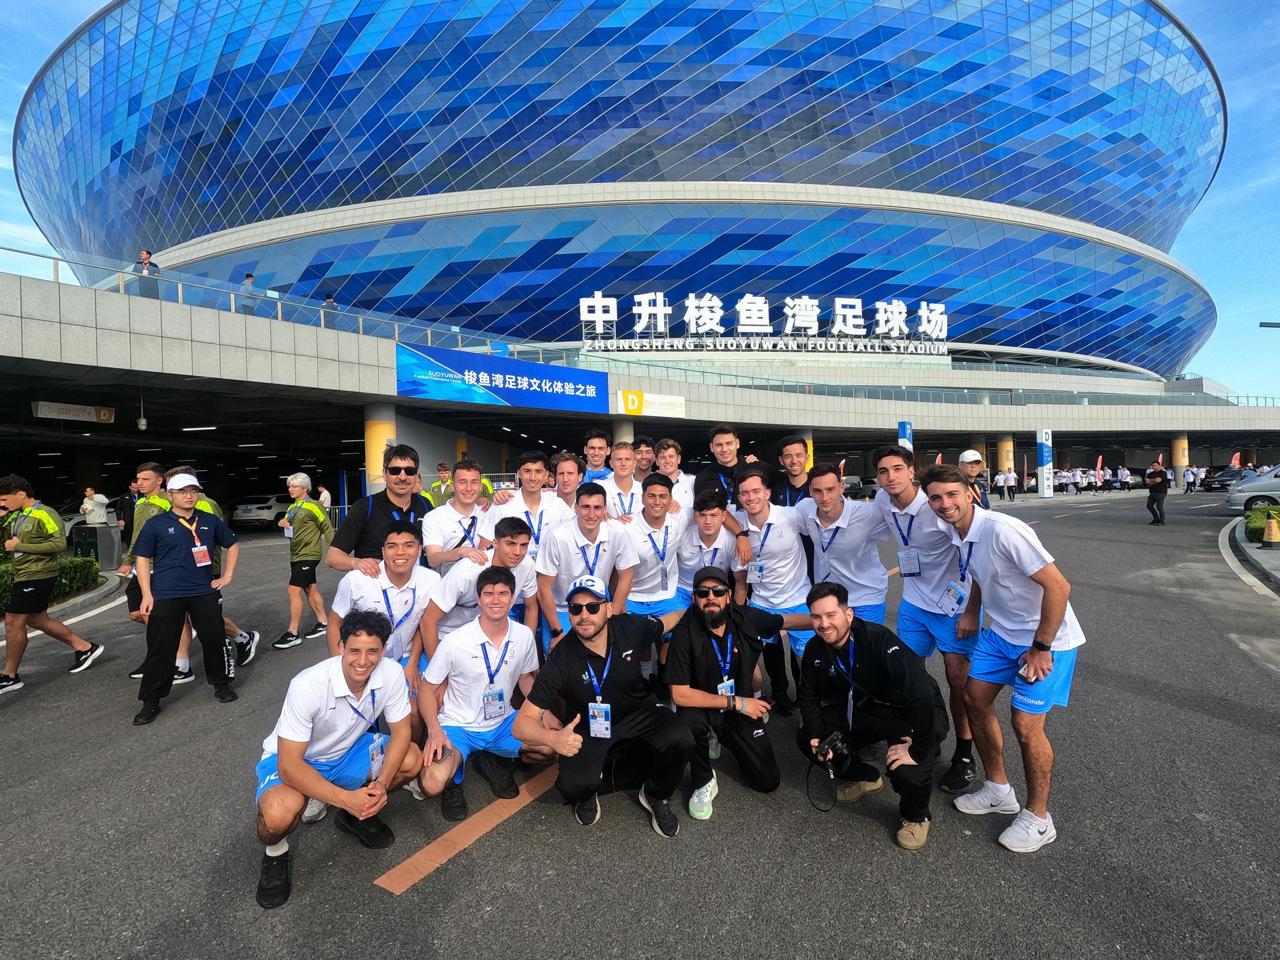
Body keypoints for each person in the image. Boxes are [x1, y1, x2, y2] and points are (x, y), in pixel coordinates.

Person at [922, 464, 1085, 853]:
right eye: (936, 497)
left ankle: (1039, 818)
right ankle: (998, 789)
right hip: (1001, 635)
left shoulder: (1003, 530)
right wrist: (973, 611)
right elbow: (978, 573)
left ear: (970, 493)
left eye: (951, 495)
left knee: (1026, 726)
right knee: (973, 699)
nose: (945, 504)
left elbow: (1059, 586)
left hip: (1046, 639)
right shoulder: (959, 532)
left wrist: (1042, 646)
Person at [253, 610, 421, 909]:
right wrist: (345, 797)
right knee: (279, 813)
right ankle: (276, 853)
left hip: (348, 753)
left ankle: (354, 816)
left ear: (384, 649)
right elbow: (289, 766)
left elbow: (401, 732)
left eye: (373, 651)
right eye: (354, 650)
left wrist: (381, 784)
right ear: (341, 647)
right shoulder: (308, 685)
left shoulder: (392, 673)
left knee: (411, 757)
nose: (363, 660)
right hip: (299, 760)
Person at [512, 576, 694, 836]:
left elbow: (667, 621)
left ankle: (656, 794)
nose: (584, 615)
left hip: (637, 712)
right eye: (575, 609)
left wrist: (689, 610)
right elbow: (521, 724)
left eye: (593, 607)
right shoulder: (561, 658)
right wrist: (551, 738)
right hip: (588, 724)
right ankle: (592, 789)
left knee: (682, 738)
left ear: (608, 609)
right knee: (573, 786)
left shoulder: (631, 627)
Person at [798, 582, 947, 850]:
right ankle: (866, 777)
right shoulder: (815, 649)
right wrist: (816, 734)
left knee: (907, 769)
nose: (823, 624)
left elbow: (922, 695)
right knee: (810, 737)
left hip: (911, 714)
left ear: (848, 614)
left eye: (831, 615)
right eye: (816, 617)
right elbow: (808, 697)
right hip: (868, 709)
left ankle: (916, 815)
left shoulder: (878, 640)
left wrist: (919, 749)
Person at [667, 567, 814, 818]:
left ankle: (724, 736)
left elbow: (787, 621)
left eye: (718, 591)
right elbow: (679, 694)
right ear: (694, 598)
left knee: (768, 781)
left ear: (729, 596)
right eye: (703, 593)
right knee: (687, 722)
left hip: (739, 706)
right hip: (707, 707)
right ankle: (703, 780)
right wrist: (737, 703)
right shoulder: (684, 632)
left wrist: (827, 623)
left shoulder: (745, 618)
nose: (710, 597)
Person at [871, 446, 975, 794]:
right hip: (914, 602)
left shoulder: (936, 506)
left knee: (957, 680)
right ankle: (919, 739)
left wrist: (972, 610)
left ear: (911, 471)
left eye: (897, 469)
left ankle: (964, 753)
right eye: (883, 471)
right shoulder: (882, 502)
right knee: (908, 675)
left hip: (952, 606)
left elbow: (975, 556)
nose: (891, 477)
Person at [418, 567, 555, 820]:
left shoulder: (524, 635)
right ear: (478, 599)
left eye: (503, 593)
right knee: (432, 782)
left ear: (513, 598)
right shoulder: (455, 641)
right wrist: (434, 730)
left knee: (550, 746)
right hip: (459, 725)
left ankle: (495, 758)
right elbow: (427, 689)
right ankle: (452, 785)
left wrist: (544, 712)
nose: (496, 600)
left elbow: (525, 678)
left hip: (503, 722)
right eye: (488, 593)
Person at [131, 473, 240, 724]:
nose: (189, 495)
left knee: (214, 639)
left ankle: (222, 684)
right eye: (182, 491)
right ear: (170, 495)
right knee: (161, 646)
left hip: (203, 590)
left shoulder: (210, 521)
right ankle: (151, 700)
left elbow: (232, 544)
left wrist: (227, 575)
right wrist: (147, 594)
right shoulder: (156, 524)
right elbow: (143, 559)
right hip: (167, 593)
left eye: (193, 490)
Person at [0, 475, 103, 694]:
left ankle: (9, 675)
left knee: (13, 621)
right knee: (38, 620)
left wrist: (23, 546)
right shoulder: (18, 514)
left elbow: (58, 543)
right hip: (24, 574)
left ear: (20, 494)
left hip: (39, 574)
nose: (2, 504)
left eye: (4, 499)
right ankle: (84, 647)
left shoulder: (44, 513)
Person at [731, 465, 815, 711]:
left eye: (756, 491)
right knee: (769, 653)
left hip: (798, 598)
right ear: (739, 498)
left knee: (807, 658)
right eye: (744, 493)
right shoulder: (737, 520)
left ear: (768, 493)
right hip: (762, 601)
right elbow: (715, 513)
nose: (751, 497)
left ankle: (809, 701)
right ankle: (778, 693)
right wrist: (741, 535)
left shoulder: (790, 515)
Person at [418, 517, 538, 668]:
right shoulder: (466, 571)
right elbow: (428, 619)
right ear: (495, 543)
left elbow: (531, 607)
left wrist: (527, 650)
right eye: (510, 544)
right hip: (449, 636)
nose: (517, 552)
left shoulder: (526, 564)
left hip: (489, 636)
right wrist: (438, 668)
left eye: (524, 546)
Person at [535, 482, 638, 649]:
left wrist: (614, 615)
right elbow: (543, 588)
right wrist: (556, 631)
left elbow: (627, 576)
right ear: (576, 507)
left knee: (601, 663)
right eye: (585, 507)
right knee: (562, 665)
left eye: (597, 508)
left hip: (599, 607)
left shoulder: (617, 531)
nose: (591, 514)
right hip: (563, 608)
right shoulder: (557, 536)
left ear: (605, 509)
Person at [794, 462, 889, 623]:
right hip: (828, 598)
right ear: (810, 491)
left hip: (866, 598)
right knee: (833, 647)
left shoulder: (868, 514)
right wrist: (742, 535)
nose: (824, 498)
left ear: (841, 487)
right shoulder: (804, 509)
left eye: (830, 490)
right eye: (817, 491)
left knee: (864, 647)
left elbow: (903, 517)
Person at [326, 445, 433, 574]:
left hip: (417, 588)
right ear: (384, 473)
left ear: (416, 475)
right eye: (395, 470)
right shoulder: (365, 507)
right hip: (376, 588)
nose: (402, 477)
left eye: (409, 471)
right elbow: (332, 557)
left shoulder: (425, 505)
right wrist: (356, 562)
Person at [118, 462, 172, 673]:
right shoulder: (141, 502)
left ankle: (159, 658)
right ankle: (170, 640)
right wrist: (129, 559)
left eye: (145, 479)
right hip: (141, 564)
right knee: (136, 613)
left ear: (160, 480)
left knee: (150, 612)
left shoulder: (166, 502)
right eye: (138, 479)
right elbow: (137, 535)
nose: (140, 483)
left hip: (159, 565)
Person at [275, 473, 333, 650]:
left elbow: (327, 528)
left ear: (304, 488)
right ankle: (323, 622)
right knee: (310, 588)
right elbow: (289, 526)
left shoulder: (314, 506)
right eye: (289, 486)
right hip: (296, 554)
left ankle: (293, 633)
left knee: (293, 590)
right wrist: (282, 522)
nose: (290, 489)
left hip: (309, 554)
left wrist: (337, 551)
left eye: (294, 486)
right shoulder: (292, 507)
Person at [488, 451, 572, 564]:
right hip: (513, 574)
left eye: (538, 471)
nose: (532, 477)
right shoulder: (503, 505)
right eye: (527, 471)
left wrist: (603, 512)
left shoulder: (558, 505)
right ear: (519, 473)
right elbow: (486, 544)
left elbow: (576, 530)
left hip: (550, 574)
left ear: (546, 475)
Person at [421, 459, 494, 574]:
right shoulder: (433, 517)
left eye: (474, 482)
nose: (469, 488)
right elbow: (433, 560)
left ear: (480, 486)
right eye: (462, 482)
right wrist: (460, 552)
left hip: (482, 581)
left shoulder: (487, 512)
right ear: (453, 486)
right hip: (448, 581)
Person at [675, 488, 737, 607]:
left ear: (724, 516)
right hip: (683, 591)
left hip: (716, 592)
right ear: (695, 516)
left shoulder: (732, 541)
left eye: (714, 515)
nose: (708, 521)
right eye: (703, 515)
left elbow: (740, 584)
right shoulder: (682, 536)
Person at [601, 441, 641, 519]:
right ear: (611, 463)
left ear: (634, 463)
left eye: (627, 459)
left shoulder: (644, 489)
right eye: (619, 459)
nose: (623, 463)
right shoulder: (600, 487)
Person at [653, 438, 696, 512]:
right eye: (663, 457)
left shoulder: (693, 482)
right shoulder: (647, 485)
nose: (667, 461)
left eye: (671, 456)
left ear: (678, 459)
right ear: (657, 461)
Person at [771, 434, 811, 507]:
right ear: (781, 460)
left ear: (807, 458)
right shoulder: (775, 490)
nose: (794, 461)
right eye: (788, 457)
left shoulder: (818, 488)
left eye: (798, 455)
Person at [1144, 459, 1169, 525]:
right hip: (1152, 492)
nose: (1153, 466)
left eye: (1155, 465)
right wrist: (1152, 481)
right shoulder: (1151, 473)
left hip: (1161, 492)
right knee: (1149, 505)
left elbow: (1158, 480)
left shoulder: (1163, 472)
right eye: (1152, 465)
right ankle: (1156, 519)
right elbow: (1146, 481)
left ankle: (1162, 521)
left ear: (1159, 466)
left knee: (1159, 507)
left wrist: (1151, 481)